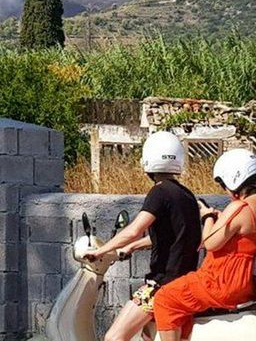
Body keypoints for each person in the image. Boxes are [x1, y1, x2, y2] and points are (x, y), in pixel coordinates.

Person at [85, 132, 202, 341]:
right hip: (184, 281)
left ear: (148, 160)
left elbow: (134, 229)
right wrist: (132, 247)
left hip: (162, 285)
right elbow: (172, 236)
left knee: (113, 338)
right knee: (148, 335)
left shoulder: (159, 192)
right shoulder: (186, 195)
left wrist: (99, 251)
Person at [152, 149, 256, 341]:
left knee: (165, 298)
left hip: (221, 281)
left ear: (233, 179)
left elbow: (211, 243)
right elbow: (242, 238)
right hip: (246, 284)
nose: (226, 192)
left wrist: (208, 216)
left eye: (223, 185)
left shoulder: (240, 207)